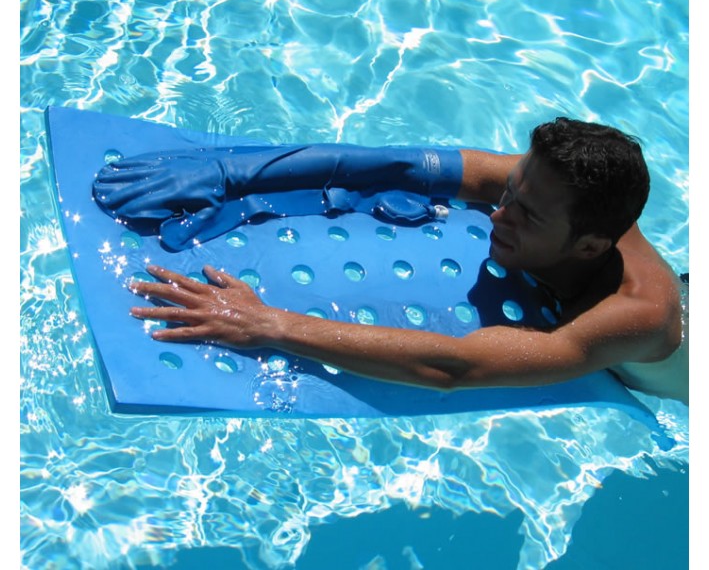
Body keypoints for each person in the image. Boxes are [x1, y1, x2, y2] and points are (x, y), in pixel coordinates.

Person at [110, 118, 688, 404]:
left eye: (525, 216)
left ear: (590, 247)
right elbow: (401, 165)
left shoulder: (636, 314)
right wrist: (232, 173)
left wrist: (269, 324)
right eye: (508, 191)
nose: (496, 213)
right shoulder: (562, 190)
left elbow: (457, 368)